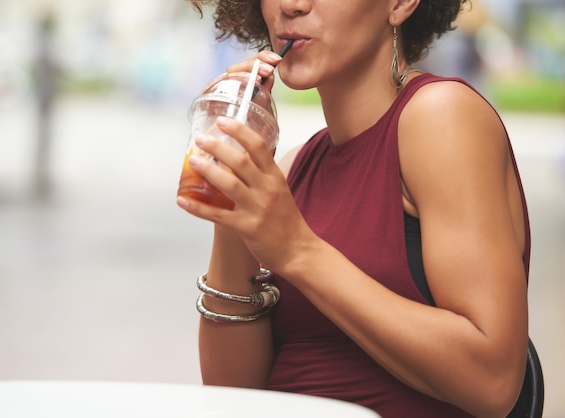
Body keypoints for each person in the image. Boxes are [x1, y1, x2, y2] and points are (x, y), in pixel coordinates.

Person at [177, 0, 531, 417]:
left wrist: (298, 252)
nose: (291, 6)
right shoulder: (291, 169)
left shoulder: (440, 117)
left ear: (399, 4)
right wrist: (234, 189)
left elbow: (493, 383)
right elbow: (233, 396)